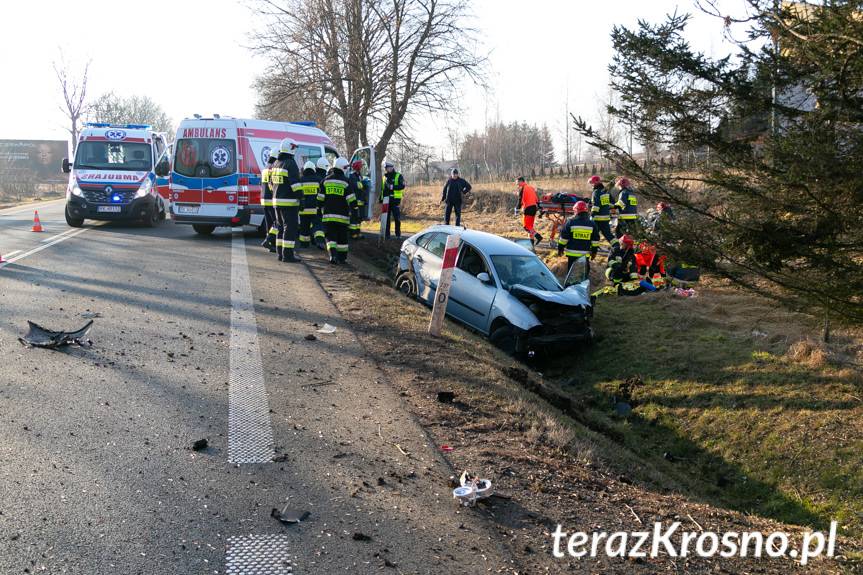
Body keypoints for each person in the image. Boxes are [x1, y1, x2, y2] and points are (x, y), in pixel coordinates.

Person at [319, 157, 357, 264]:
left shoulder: (325, 181)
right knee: (342, 239)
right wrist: (355, 211)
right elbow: (352, 200)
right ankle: (342, 258)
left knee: (330, 237)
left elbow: (320, 199)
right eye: (346, 167)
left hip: (328, 216)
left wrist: (319, 208)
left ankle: (333, 256)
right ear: (342, 168)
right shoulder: (346, 182)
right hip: (343, 217)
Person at [271, 138, 301, 263]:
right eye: (294, 147)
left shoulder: (276, 163)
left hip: (276, 202)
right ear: (290, 148)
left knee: (280, 228)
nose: (295, 150)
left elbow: (272, 183)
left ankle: (280, 253)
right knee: (290, 228)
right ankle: (288, 255)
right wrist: (301, 197)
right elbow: (295, 185)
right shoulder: (290, 163)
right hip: (289, 202)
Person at [557, 200, 599, 275]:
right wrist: (594, 252)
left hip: (572, 255)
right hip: (585, 255)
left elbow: (564, 238)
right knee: (584, 275)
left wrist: (560, 248)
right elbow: (595, 240)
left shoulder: (570, 222)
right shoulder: (592, 224)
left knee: (571, 275)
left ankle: (570, 286)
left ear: (576, 211)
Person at [295, 161, 322, 248]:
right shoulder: (319, 180)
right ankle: (319, 241)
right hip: (315, 209)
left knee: (304, 227)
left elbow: (298, 193)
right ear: (314, 169)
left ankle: (304, 244)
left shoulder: (301, 180)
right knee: (317, 225)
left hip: (303, 210)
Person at [515, 176, 543, 245]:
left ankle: (538, 236)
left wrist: (517, 209)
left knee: (526, 227)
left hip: (528, 208)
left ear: (521, 181)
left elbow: (520, 200)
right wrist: (539, 208)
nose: (516, 184)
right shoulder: (530, 187)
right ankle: (531, 243)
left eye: (517, 182)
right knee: (530, 227)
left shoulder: (523, 188)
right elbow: (536, 199)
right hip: (534, 208)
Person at [380, 161, 405, 239]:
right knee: (386, 219)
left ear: (392, 168)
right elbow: (382, 189)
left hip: (395, 201)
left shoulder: (398, 176)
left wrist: (392, 187)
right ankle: (387, 235)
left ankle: (398, 235)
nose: (387, 169)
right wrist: (381, 199)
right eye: (386, 168)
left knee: (397, 218)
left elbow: (402, 186)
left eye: (388, 168)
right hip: (386, 200)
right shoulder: (384, 177)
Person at [588, 175, 615, 247]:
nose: (591, 185)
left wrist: (592, 215)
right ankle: (616, 245)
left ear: (595, 183)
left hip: (597, 218)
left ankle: (592, 248)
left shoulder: (596, 192)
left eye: (592, 183)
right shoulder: (606, 191)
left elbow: (596, 205)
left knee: (593, 234)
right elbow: (612, 202)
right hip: (606, 217)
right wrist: (606, 209)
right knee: (608, 234)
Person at [260, 148, 279, 252]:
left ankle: (271, 244)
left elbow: (261, 185)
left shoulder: (265, 169)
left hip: (263, 199)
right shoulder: (273, 169)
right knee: (277, 222)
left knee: (269, 223)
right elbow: (273, 185)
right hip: (271, 199)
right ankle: (269, 240)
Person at [312, 157, 330, 248]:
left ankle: (314, 239)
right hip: (320, 204)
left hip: (309, 203)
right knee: (319, 223)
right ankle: (319, 241)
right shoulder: (324, 179)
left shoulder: (313, 176)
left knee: (313, 222)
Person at [347, 160, 366, 240]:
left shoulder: (359, 176)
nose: (362, 168)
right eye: (361, 167)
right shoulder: (352, 176)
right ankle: (353, 234)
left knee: (359, 219)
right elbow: (357, 186)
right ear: (358, 168)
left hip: (360, 201)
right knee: (354, 218)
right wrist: (363, 184)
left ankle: (358, 233)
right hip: (355, 201)